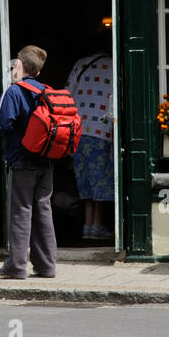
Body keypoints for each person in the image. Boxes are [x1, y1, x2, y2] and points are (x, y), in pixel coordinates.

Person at [0, 44, 55, 280]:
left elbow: (0, 123)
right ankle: (47, 266)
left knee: (20, 212)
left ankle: (16, 267)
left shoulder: (14, 91)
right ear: (38, 72)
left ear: (18, 65)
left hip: (21, 159)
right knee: (43, 211)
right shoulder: (47, 91)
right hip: (46, 160)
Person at [66, 49, 115, 243]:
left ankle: (88, 224)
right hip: (101, 130)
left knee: (84, 180)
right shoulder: (114, 65)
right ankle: (97, 224)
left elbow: (67, 94)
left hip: (78, 130)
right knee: (101, 180)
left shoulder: (80, 63)